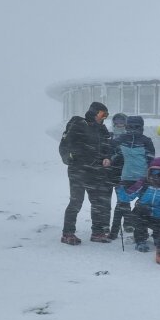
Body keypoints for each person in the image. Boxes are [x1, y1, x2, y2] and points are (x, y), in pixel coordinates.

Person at [60, 102, 114, 245]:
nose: (104, 118)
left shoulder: (102, 130)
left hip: (95, 171)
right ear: (94, 112)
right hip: (78, 170)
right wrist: (71, 159)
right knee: (76, 201)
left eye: (106, 116)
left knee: (97, 202)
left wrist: (107, 158)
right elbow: (65, 145)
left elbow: (107, 148)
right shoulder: (79, 124)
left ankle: (97, 232)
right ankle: (68, 233)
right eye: (102, 114)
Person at [116, 158, 160, 252]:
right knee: (140, 213)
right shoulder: (144, 183)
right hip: (143, 213)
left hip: (159, 216)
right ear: (149, 172)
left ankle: (158, 237)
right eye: (153, 172)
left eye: (159, 173)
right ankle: (140, 239)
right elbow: (128, 196)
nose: (155, 176)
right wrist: (121, 189)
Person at [108, 115, 155, 239]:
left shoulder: (144, 141)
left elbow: (151, 161)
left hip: (138, 178)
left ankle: (138, 234)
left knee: (136, 206)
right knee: (127, 205)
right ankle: (116, 232)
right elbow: (109, 150)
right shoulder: (126, 139)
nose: (133, 129)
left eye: (136, 127)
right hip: (132, 177)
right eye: (131, 126)